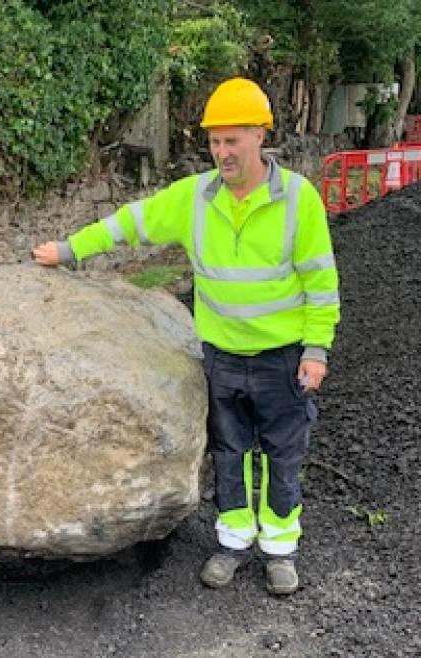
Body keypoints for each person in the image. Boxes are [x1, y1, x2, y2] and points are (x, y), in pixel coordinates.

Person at [32, 77, 340, 596]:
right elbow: (131, 221)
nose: (222, 152)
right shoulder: (194, 198)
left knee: (282, 454)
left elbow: (320, 279)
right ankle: (234, 541)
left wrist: (315, 349)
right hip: (221, 357)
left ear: (259, 136)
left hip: (282, 359)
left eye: (232, 140)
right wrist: (70, 250)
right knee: (231, 451)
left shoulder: (297, 200)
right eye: (215, 141)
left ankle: (280, 549)